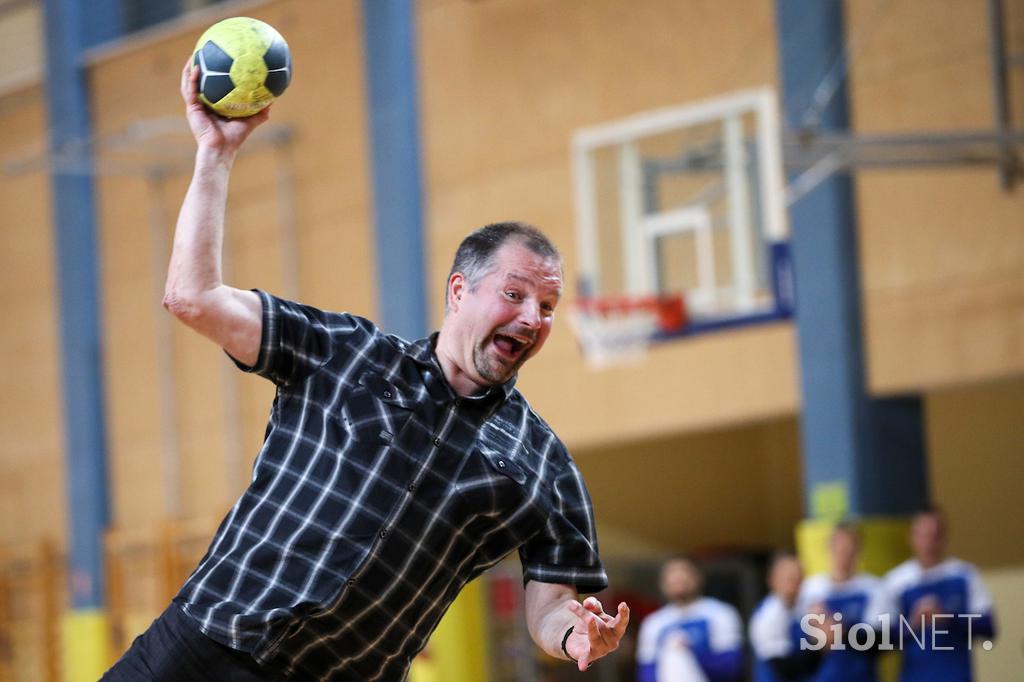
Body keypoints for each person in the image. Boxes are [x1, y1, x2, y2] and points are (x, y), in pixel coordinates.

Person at [102, 60, 629, 681]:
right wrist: (214, 153)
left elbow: (552, 607)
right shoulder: (344, 350)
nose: (533, 318)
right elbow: (192, 298)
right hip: (202, 647)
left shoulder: (545, 465)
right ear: (459, 291)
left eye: (547, 306)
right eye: (514, 295)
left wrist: (575, 633)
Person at [884, 508, 996, 682]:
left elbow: (988, 627)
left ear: (944, 537)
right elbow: (882, 639)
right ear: (912, 538)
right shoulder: (896, 581)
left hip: (956, 675)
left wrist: (947, 618)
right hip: (914, 675)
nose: (928, 543)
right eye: (922, 535)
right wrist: (913, 623)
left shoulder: (964, 575)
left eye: (934, 535)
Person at [797, 523, 891, 682]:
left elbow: (881, 641)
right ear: (829, 549)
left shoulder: (873, 588)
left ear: (858, 551)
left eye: (849, 549)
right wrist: (817, 635)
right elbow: (799, 642)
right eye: (839, 549)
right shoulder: (811, 589)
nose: (844, 556)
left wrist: (843, 631)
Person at [636, 556, 744, 682]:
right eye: (672, 575)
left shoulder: (720, 613)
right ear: (663, 584)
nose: (678, 578)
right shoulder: (653, 623)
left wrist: (690, 652)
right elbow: (647, 671)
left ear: (698, 578)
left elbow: (730, 666)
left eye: (683, 573)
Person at [749, 551, 821, 682]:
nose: (795, 584)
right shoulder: (768, 614)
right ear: (772, 580)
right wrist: (819, 642)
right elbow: (785, 668)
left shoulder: (805, 608)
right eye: (789, 578)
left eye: (799, 577)